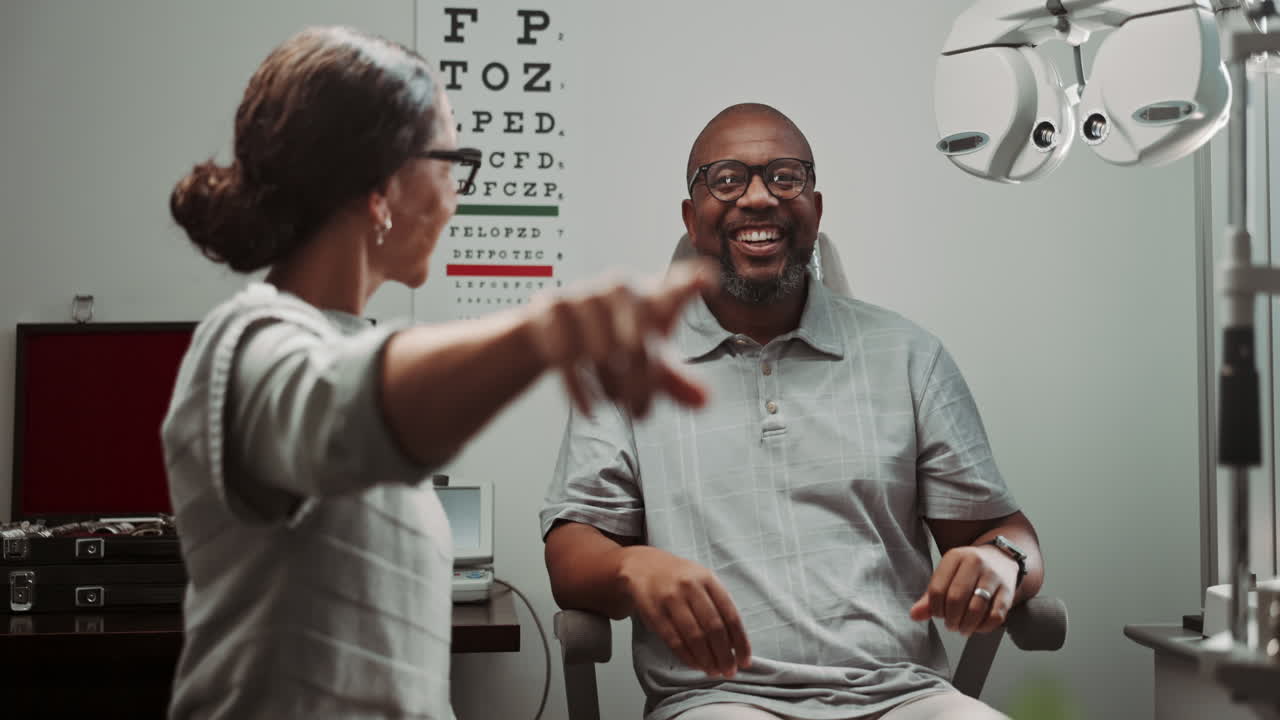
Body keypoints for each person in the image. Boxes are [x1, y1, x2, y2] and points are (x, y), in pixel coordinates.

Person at [161, 26, 713, 720]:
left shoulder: (344, 345)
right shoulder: (245, 345)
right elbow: (342, 409)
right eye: (451, 161)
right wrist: (548, 331)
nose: (456, 194)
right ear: (381, 186)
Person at [541, 103, 1045, 720]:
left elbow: (1005, 530)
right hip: (720, 699)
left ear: (815, 209)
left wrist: (1000, 560)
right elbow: (571, 554)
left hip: (905, 695)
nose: (758, 198)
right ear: (691, 219)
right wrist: (629, 567)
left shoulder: (910, 356)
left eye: (785, 177)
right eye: (727, 179)